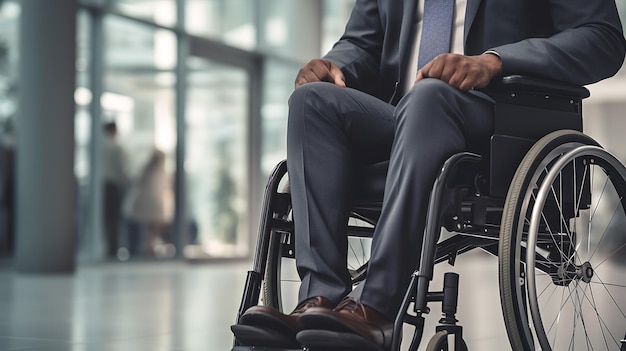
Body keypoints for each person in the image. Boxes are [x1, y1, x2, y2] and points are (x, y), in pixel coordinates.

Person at [232, 0, 626, 349]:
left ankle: (377, 310)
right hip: (403, 118)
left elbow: (601, 38)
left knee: (429, 94)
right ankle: (318, 300)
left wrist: (493, 61)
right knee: (311, 100)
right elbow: (362, 45)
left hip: (497, 117)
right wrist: (336, 65)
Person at [123, 149, 174, 258]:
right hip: (155, 206)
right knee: (152, 228)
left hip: (144, 205)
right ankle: (149, 247)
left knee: (148, 229)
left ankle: (147, 247)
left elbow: (136, 182)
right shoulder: (163, 173)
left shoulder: (146, 170)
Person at [101, 121, 129, 258]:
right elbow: (121, 170)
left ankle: (104, 247)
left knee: (103, 219)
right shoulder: (116, 148)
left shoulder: (97, 147)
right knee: (113, 220)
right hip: (112, 186)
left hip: (100, 187)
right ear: (114, 130)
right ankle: (112, 250)